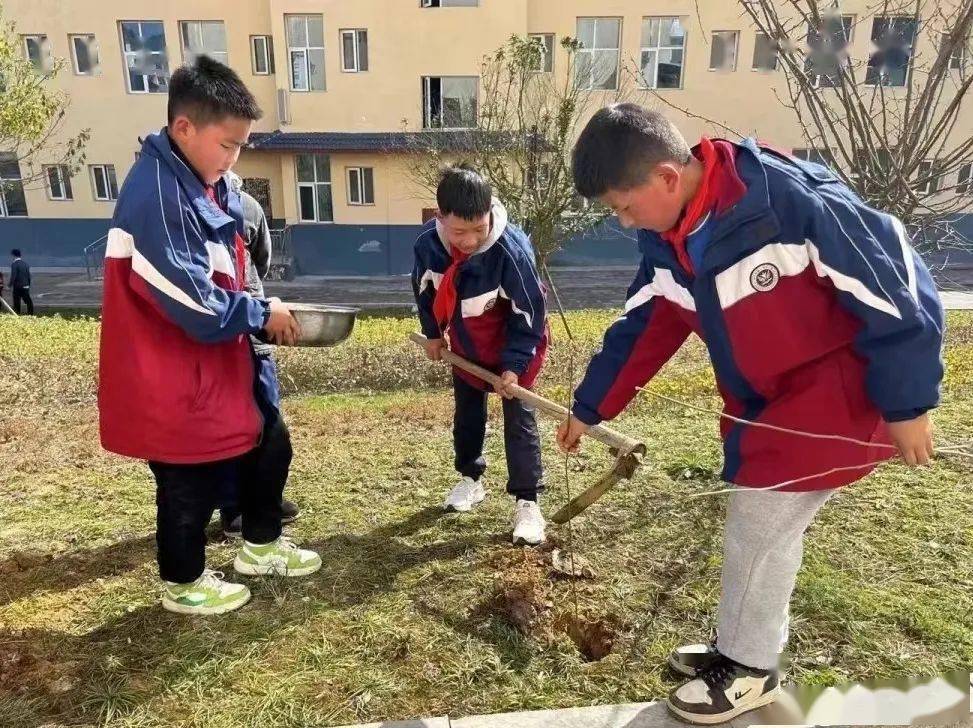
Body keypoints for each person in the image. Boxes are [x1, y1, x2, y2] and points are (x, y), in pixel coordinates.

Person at [559, 103, 944, 724]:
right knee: (756, 525)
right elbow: (644, 325)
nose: (624, 221)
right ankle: (739, 644)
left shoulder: (785, 203)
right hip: (766, 402)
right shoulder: (667, 238)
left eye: (624, 206)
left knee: (761, 526)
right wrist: (590, 406)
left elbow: (893, 285)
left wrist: (908, 402)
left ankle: (750, 668)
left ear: (666, 177)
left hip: (837, 392)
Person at [99, 55, 321, 616]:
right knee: (187, 478)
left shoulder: (203, 180)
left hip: (226, 359)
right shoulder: (156, 196)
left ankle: (261, 545)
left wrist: (257, 316)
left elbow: (233, 264)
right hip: (177, 371)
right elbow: (194, 302)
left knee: (270, 440)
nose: (234, 158)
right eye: (228, 145)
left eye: (241, 146)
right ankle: (184, 581)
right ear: (184, 127)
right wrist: (261, 312)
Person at [412, 164, 549, 545]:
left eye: (479, 228)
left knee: (519, 419)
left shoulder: (510, 250)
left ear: (490, 212)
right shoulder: (427, 246)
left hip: (516, 343)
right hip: (467, 344)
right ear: (441, 217)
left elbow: (528, 313)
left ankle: (527, 501)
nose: (470, 240)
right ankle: (470, 478)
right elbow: (424, 291)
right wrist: (433, 334)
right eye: (459, 232)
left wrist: (514, 366)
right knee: (468, 413)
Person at [217, 171, 300, 538]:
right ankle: (236, 508)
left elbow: (259, 264)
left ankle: (264, 500)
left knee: (267, 427)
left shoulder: (246, 207)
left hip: (251, 333)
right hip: (224, 335)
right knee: (239, 427)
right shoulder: (185, 209)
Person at [10, 249, 33, 315]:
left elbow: (13, 276)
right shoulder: (25, 264)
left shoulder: (14, 264)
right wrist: (28, 285)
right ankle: (30, 314)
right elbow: (29, 276)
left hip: (18, 286)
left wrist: (9, 285)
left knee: (17, 301)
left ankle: (17, 314)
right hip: (26, 285)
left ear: (13, 255)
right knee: (28, 300)